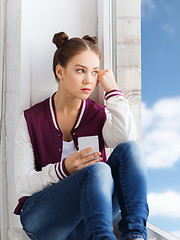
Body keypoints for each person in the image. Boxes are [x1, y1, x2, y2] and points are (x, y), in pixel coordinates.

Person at [13, 32, 149, 240]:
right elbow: (23, 183)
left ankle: (136, 236)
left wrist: (113, 92)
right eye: (80, 71)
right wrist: (64, 169)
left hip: (89, 222)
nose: (89, 80)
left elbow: (126, 139)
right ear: (60, 71)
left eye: (95, 73)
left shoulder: (97, 115)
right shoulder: (31, 119)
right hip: (45, 223)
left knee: (132, 150)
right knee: (98, 170)